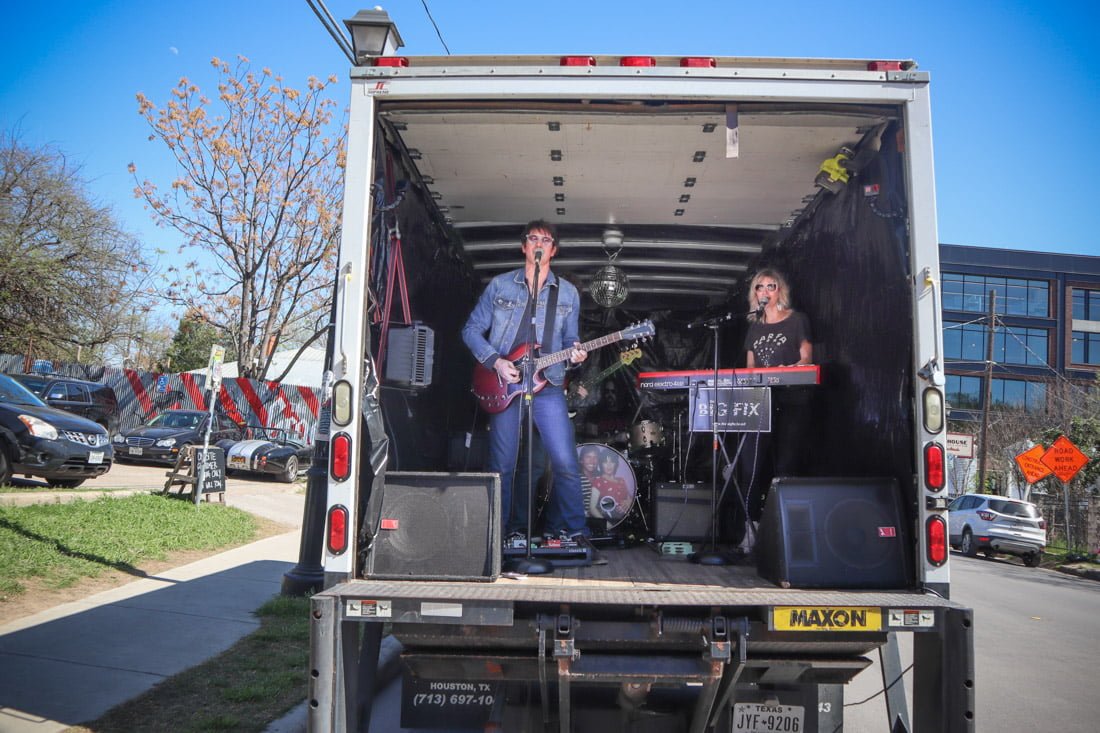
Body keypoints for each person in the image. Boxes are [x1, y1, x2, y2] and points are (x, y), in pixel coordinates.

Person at [462, 220, 598, 558]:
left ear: (554, 249)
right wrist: (496, 362)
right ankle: (499, 537)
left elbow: (570, 342)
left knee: (565, 461)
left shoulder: (566, 293)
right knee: (502, 464)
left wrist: (577, 354)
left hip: (548, 383)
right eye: (533, 238)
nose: (539, 243)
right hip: (504, 382)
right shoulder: (499, 286)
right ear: (524, 246)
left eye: (546, 239)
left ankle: (575, 535)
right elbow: (471, 330)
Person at [733, 267, 813, 551]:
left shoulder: (797, 320)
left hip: (793, 398)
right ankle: (749, 529)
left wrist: (787, 369)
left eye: (771, 286)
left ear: (781, 291)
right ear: (754, 293)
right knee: (750, 465)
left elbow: (807, 359)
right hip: (760, 399)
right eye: (759, 287)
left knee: (786, 465)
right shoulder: (755, 326)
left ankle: (786, 533)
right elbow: (750, 368)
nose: (765, 291)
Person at [590, 447, 632, 525]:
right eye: (605, 462)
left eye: (612, 462)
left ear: (615, 464)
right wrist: (606, 524)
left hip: (625, 521)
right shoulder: (598, 481)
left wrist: (629, 502)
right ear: (601, 464)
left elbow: (629, 498)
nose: (609, 465)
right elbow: (592, 508)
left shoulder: (621, 480)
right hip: (609, 521)